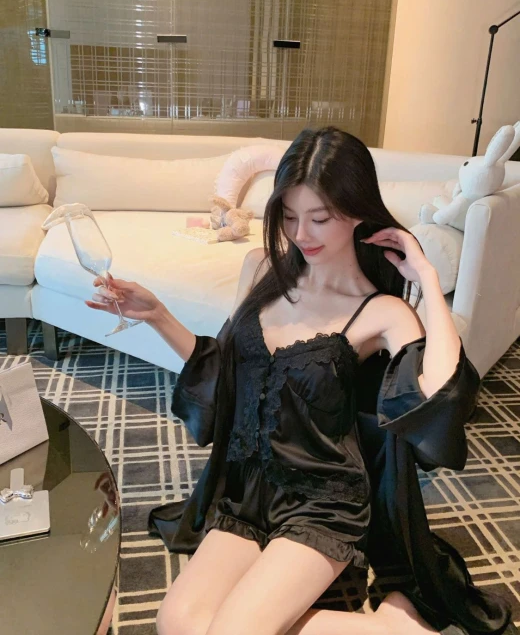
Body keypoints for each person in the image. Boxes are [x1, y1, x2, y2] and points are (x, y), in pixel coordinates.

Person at [87, 127, 515, 635]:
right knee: (176, 623)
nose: (301, 233)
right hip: (247, 490)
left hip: (323, 499)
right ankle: (389, 628)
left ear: (357, 211)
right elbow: (226, 375)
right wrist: (157, 315)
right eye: (289, 216)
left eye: (320, 218)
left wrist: (426, 276)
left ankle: (399, 626)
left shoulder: (381, 311)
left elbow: (441, 395)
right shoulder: (261, 269)